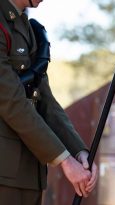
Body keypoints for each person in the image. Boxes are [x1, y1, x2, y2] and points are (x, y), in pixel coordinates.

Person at [0, 0, 97, 204]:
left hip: (28, 175)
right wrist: (65, 160)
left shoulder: (27, 27)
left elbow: (44, 99)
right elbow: (11, 101)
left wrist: (78, 152)